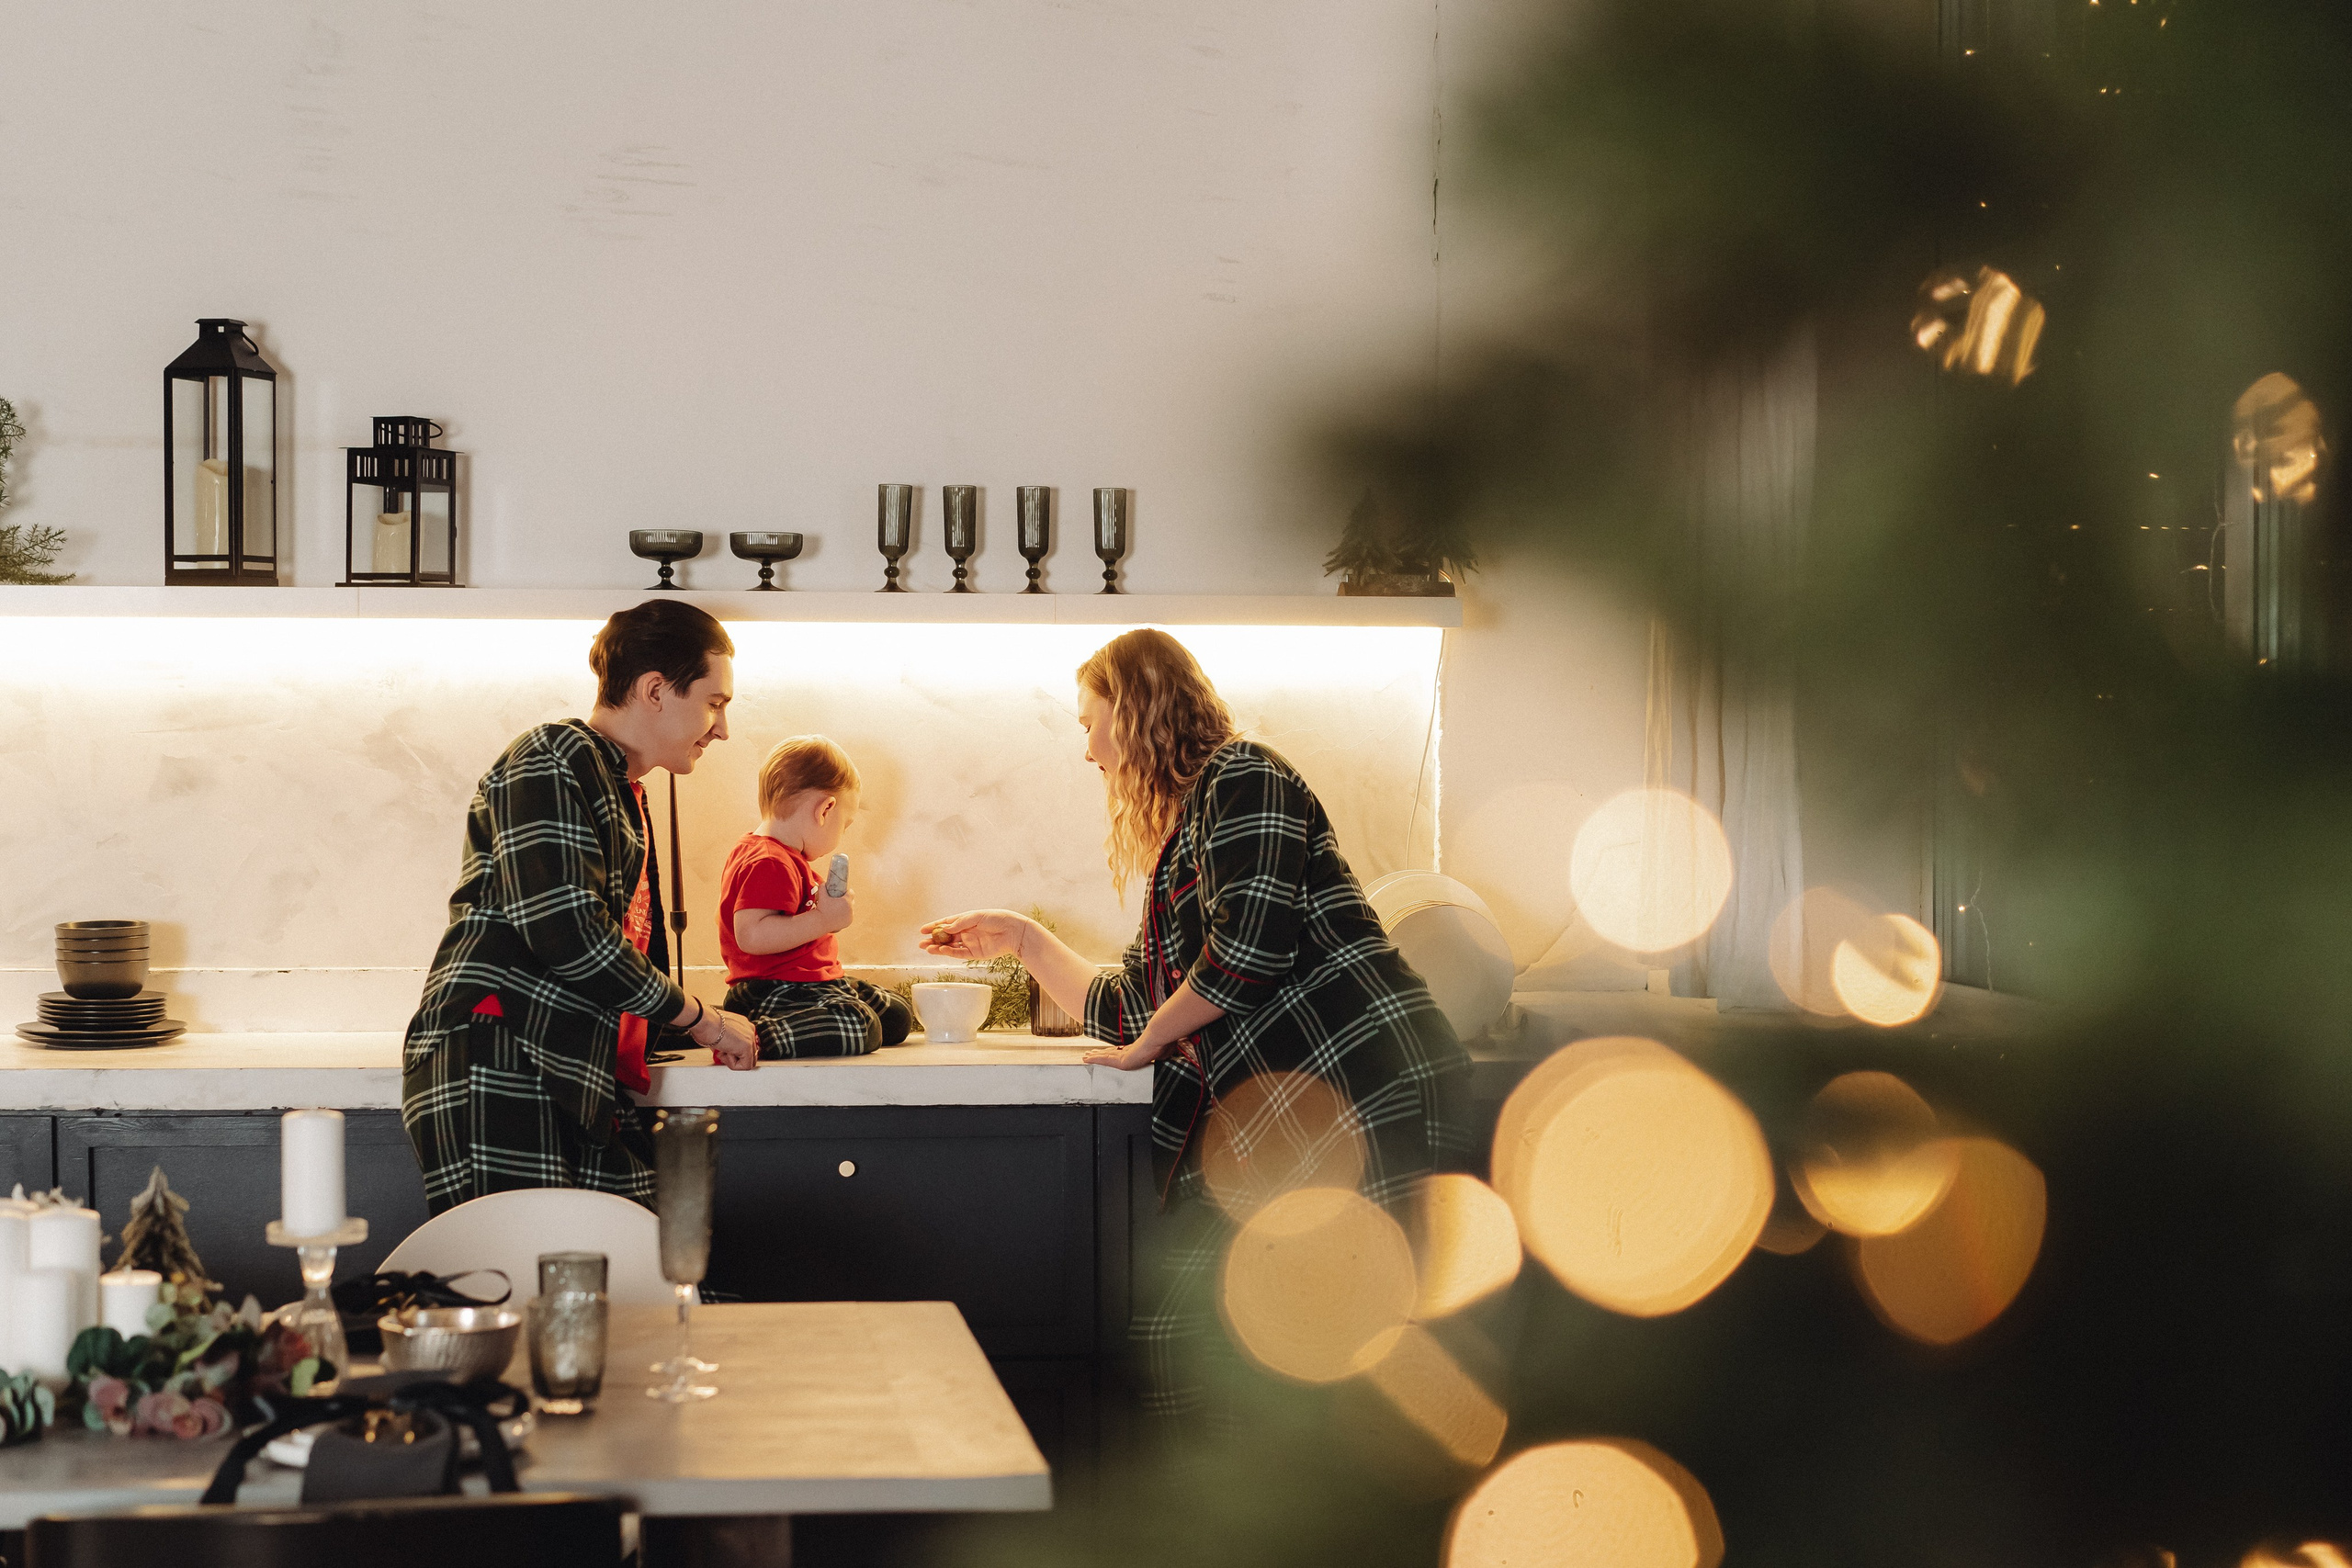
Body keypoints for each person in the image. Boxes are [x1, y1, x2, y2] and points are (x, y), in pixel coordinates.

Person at [921, 627, 1470, 1424]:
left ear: (1135, 709)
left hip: (1369, 1080)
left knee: (1362, 1369)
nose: (1087, 752)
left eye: (1088, 721)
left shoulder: (1245, 775)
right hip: (1293, 1117)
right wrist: (1022, 939)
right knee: (1195, 1340)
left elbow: (1245, 948)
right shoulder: (1184, 846)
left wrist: (1148, 1041)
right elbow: (1139, 1002)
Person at [402, 600, 761, 1213]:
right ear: (654, 690)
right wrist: (701, 1018)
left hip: (565, 1071)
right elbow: (568, 932)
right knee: (528, 1292)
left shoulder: (619, 788)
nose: (721, 728)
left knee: (623, 1277)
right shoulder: (553, 755)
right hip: (501, 1056)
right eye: (714, 702)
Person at [718, 735, 912, 1057]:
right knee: (863, 1026)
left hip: (809, 982)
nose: (843, 834)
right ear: (826, 809)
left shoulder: (784, 857)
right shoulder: (768, 860)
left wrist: (824, 918)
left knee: (896, 1016)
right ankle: (754, 1036)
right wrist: (823, 919)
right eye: (845, 824)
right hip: (777, 988)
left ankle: (815, 1009)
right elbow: (751, 936)